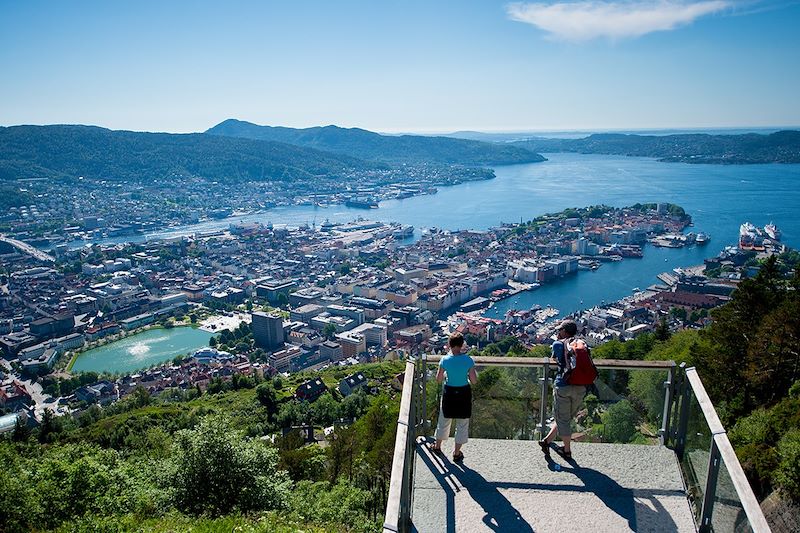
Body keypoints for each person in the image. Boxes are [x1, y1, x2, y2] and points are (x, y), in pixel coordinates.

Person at [539, 320, 587, 460]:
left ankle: (567, 450)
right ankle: (547, 441)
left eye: (560, 330)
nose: (558, 333)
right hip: (581, 386)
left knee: (563, 418)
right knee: (565, 418)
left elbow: (555, 359)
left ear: (565, 331)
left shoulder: (558, 344)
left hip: (563, 386)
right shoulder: (581, 344)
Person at [431, 332, 478, 462]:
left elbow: (438, 379)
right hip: (463, 393)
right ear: (462, 344)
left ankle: (437, 446)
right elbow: (474, 381)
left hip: (449, 392)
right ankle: (457, 452)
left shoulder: (444, 360)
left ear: (449, 345)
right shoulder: (468, 360)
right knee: (462, 423)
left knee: (444, 420)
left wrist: (447, 374)